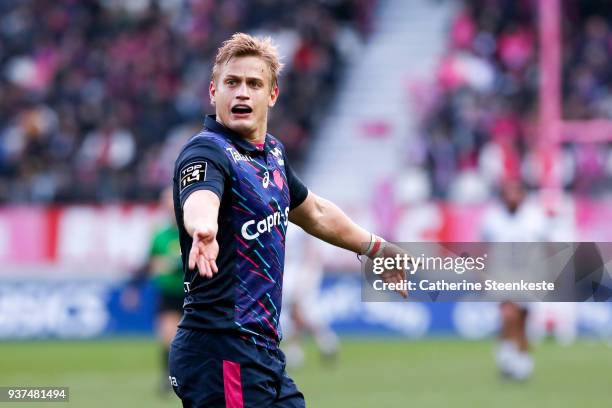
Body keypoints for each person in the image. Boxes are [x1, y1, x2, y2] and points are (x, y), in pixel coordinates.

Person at [168, 33, 406, 407]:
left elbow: (314, 212)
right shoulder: (207, 150)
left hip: (262, 353)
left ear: (272, 95)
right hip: (220, 351)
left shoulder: (272, 154)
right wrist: (204, 228)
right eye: (231, 83)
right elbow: (200, 197)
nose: (241, 93)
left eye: (253, 84)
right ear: (214, 92)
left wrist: (376, 247)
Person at [481, 180, 547, 381]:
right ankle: (507, 357)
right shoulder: (492, 218)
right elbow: (483, 247)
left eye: (515, 193)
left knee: (523, 320)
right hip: (501, 274)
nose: (512, 198)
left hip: (529, 275)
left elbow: (547, 247)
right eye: (508, 193)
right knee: (508, 314)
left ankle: (522, 363)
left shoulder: (535, 217)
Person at [281, 225, 339, 369]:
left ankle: (325, 341)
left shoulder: (299, 219)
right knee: (294, 310)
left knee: (300, 309)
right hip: (289, 268)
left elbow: (311, 249)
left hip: (302, 269)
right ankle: (300, 348)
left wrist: (306, 274)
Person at [148, 186, 185, 393]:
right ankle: (168, 378)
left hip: (192, 293)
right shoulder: (160, 236)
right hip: (169, 294)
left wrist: (173, 264)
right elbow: (152, 264)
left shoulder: (191, 230)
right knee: (167, 337)